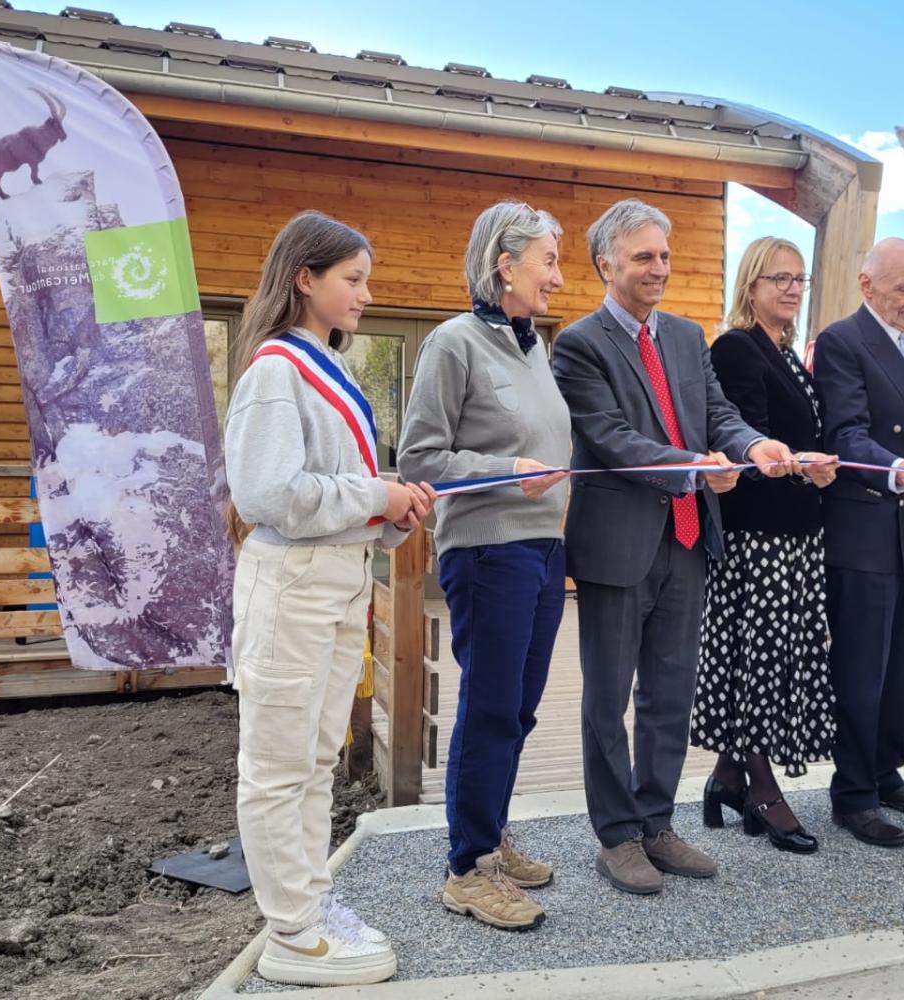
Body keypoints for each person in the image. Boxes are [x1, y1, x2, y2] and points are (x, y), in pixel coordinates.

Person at [551, 198, 802, 895]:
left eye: (663, 255)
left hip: (689, 540)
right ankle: (617, 837)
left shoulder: (689, 339)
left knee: (669, 694)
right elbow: (611, 439)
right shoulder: (578, 345)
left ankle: (656, 822)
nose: (658, 267)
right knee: (607, 699)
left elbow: (716, 413)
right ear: (607, 264)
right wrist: (694, 467)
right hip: (616, 546)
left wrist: (753, 443)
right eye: (642, 257)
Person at [224, 210, 437, 986]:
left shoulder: (328, 367)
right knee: (280, 765)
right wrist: (375, 492)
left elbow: (332, 493)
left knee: (314, 759)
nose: (366, 295)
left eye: (367, 279)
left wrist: (388, 510)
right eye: (353, 279)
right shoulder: (276, 371)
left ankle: (308, 908)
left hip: (337, 581)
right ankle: (292, 934)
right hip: (296, 586)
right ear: (304, 278)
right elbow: (266, 492)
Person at [397, 201, 572, 931]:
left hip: (543, 547)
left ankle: (488, 832)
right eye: (548, 262)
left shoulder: (534, 348)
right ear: (506, 265)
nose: (558, 277)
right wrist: (506, 469)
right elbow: (420, 460)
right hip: (489, 549)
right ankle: (466, 868)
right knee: (492, 705)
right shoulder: (452, 343)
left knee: (521, 707)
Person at [691, 237, 837, 855]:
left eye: (798, 279)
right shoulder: (736, 347)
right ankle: (761, 788)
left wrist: (813, 467)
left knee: (780, 660)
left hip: (798, 536)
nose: (791, 288)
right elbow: (742, 434)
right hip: (758, 537)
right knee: (760, 665)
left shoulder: (788, 354)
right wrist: (800, 464)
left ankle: (727, 776)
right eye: (778, 277)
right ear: (750, 284)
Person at [811, 238, 904, 849]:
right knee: (861, 669)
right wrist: (897, 471)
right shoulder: (844, 342)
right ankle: (853, 794)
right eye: (903, 287)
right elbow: (846, 434)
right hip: (863, 527)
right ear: (867, 285)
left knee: (897, 669)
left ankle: (887, 773)